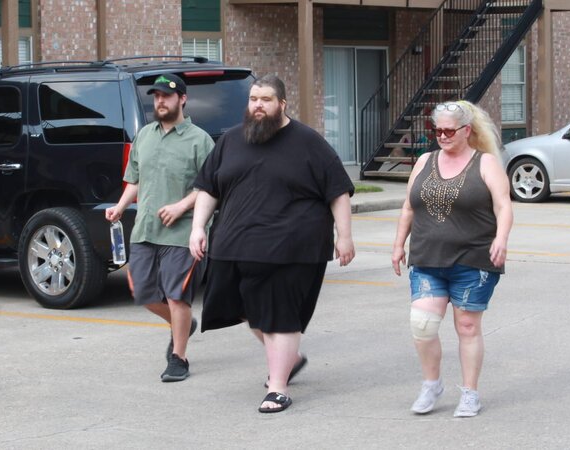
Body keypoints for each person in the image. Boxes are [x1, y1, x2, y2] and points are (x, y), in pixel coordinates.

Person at [189, 74, 355, 413]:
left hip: (293, 245)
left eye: (265, 99)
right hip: (235, 243)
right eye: (253, 99)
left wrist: (345, 236)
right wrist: (197, 228)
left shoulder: (308, 142)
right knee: (243, 310)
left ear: (282, 103)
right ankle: (287, 358)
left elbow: (337, 189)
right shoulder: (231, 140)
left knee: (280, 315)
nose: (258, 105)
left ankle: (278, 387)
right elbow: (208, 188)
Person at [391, 100, 513, 417]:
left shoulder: (485, 163)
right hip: (427, 257)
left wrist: (501, 239)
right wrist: (398, 244)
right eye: (437, 130)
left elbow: (503, 205)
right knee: (423, 324)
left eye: (448, 130)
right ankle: (432, 385)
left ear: (466, 130)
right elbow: (408, 207)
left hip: (473, 259)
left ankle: (470, 393)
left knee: (468, 326)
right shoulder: (424, 161)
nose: (442, 136)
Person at [105, 73, 214, 382]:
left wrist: (181, 206)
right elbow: (135, 179)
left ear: (182, 99)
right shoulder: (144, 136)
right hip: (145, 230)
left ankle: (179, 357)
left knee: (177, 296)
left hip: (182, 233)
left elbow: (210, 187)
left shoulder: (199, 140)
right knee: (141, 291)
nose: (160, 101)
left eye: (167, 96)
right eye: (156, 97)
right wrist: (121, 206)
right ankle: (184, 324)